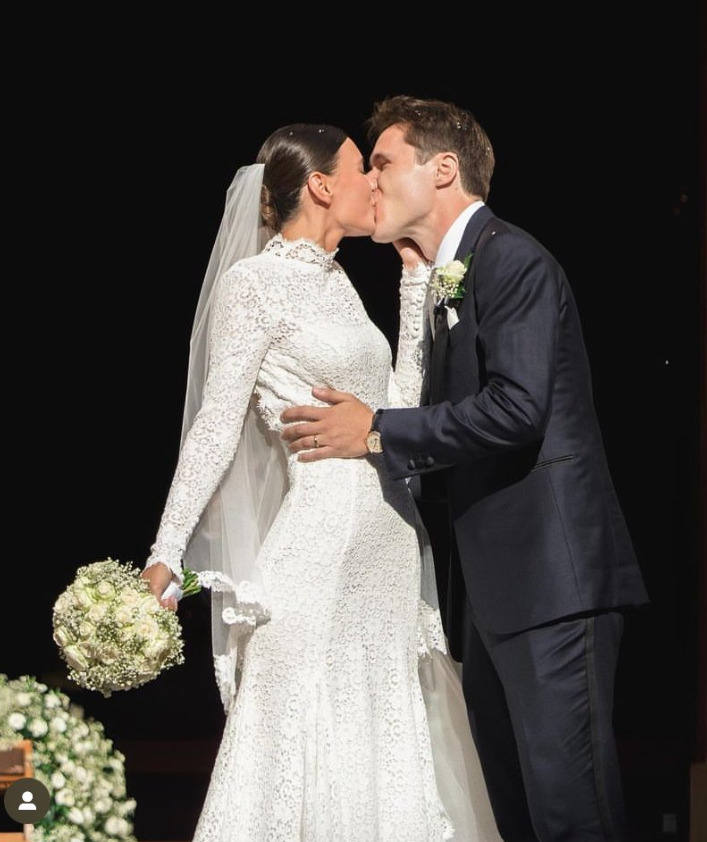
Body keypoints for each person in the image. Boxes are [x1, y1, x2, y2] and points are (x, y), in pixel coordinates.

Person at [280, 96, 651, 841]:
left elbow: (516, 410)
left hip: (550, 585)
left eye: (381, 162)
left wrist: (376, 431)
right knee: (509, 814)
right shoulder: (452, 272)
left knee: (570, 814)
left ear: (442, 168)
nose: (370, 182)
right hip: (492, 594)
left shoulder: (510, 259)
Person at [140, 122, 503, 841]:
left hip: (388, 547)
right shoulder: (254, 284)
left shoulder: (338, 281)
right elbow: (215, 425)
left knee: (386, 749)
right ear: (320, 185)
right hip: (319, 546)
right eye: (360, 170)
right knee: (299, 749)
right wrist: (165, 550)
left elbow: (396, 408)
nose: (376, 182)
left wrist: (410, 283)